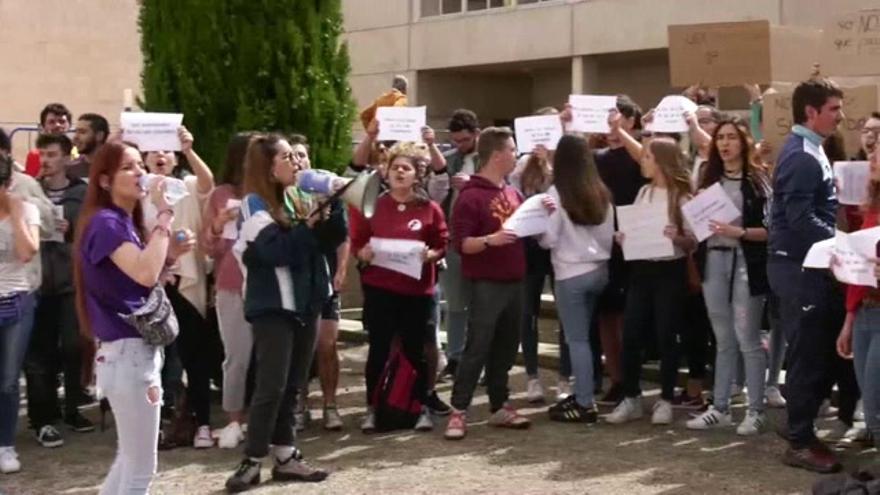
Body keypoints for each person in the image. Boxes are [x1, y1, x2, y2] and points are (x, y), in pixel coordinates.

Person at [74, 141, 194, 493]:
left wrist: (167, 254)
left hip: (126, 353)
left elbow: (138, 279)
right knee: (141, 468)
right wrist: (165, 215)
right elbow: (143, 275)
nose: (140, 172)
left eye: (139, 165)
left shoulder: (117, 221)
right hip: (129, 355)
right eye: (128, 167)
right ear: (105, 180)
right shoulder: (106, 223)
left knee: (129, 460)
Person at [225, 134, 339, 492]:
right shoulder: (253, 205)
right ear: (268, 168)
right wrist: (308, 225)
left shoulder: (299, 197)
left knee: (293, 384)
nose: (297, 163)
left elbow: (329, 240)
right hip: (273, 306)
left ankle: (287, 455)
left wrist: (331, 207)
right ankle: (253, 459)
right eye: (287, 157)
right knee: (270, 385)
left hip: (305, 303)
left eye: (296, 156)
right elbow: (277, 251)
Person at [767, 78, 845, 473]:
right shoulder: (802, 156)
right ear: (811, 112)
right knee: (808, 353)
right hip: (798, 266)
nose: (841, 116)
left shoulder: (811, 149)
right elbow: (800, 219)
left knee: (819, 350)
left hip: (808, 265)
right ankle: (799, 441)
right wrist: (844, 241)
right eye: (834, 109)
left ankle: (800, 425)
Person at [444, 126, 540, 440]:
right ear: (497, 155)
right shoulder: (470, 197)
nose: (516, 155)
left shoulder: (512, 192)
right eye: (512, 150)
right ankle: (458, 410)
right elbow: (461, 244)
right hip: (486, 283)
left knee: (506, 348)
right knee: (477, 347)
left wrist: (542, 212)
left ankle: (500, 406)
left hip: (516, 281)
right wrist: (491, 240)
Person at [351, 141, 448, 433]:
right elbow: (357, 241)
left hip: (417, 292)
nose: (400, 172)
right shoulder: (372, 205)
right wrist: (362, 253)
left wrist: (432, 254)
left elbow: (442, 242)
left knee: (416, 350)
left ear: (417, 175)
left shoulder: (429, 208)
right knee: (379, 349)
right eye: (395, 167)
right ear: (386, 172)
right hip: (381, 289)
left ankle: (418, 408)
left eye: (406, 168)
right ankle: (372, 408)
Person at [685, 119, 771, 435]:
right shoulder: (709, 181)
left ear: (743, 143)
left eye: (731, 137)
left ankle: (756, 409)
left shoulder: (758, 181)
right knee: (722, 340)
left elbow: (773, 231)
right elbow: (696, 231)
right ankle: (720, 407)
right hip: (714, 264)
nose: (724, 143)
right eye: (720, 138)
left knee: (748, 338)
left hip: (745, 263)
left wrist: (741, 232)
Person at [606, 137, 696, 426]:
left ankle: (666, 398)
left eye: (647, 157)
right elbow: (638, 227)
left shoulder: (682, 195)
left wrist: (677, 238)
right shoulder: (644, 191)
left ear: (660, 161)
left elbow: (693, 241)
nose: (643, 162)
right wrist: (625, 238)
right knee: (631, 333)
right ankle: (631, 396)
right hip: (641, 271)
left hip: (670, 271)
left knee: (666, 334)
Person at [141, 128, 215, 449]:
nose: (160, 157)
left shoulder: (185, 185)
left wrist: (189, 149)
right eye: (153, 151)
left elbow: (208, 183)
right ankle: (153, 423)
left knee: (194, 354)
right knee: (150, 358)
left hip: (186, 279)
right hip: (150, 281)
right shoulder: (137, 190)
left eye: (167, 152)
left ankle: (203, 423)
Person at [538, 135, 614, 423]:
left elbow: (549, 240)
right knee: (587, 337)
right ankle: (587, 388)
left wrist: (537, 230)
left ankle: (584, 401)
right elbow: (609, 235)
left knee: (577, 339)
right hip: (599, 270)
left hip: (570, 273)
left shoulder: (559, 193)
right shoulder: (601, 191)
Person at [25, 134, 92, 451]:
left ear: (67, 157)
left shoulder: (82, 192)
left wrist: (73, 231)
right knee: (40, 355)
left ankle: (72, 409)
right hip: (36, 285)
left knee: (73, 346)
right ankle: (44, 418)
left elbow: (93, 233)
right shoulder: (28, 191)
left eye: (52, 154)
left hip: (70, 283)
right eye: (43, 155)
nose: (47, 160)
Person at [288, 134, 350, 432]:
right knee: (300, 346)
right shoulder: (283, 195)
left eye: (302, 155)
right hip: (297, 279)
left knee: (327, 344)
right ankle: (299, 404)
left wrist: (340, 271)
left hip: (325, 278)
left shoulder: (328, 191)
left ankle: (330, 405)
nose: (298, 161)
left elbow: (340, 236)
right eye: (292, 156)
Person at [510, 108, 573, 404]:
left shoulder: (565, 163)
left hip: (560, 246)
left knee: (565, 313)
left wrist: (550, 160)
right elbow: (513, 197)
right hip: (530, 248)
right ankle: (533, 377)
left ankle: (564, 377)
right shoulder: (523, 165)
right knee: (527, 313)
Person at [591, 95, 647, 406]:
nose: (612, 124)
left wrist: (621, 134)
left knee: (631, 317)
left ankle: (633, 380)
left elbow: (646, 162)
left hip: (637, 242)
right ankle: (617, 379)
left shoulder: (642, 151)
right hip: (604, 242)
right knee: (607, 316)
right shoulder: (597, 157)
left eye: (618, 118)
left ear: (630, 121)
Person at [201, 132, 252, 448]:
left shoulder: (273, 192)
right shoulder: (221, 194)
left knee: (270, 356)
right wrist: (219, 224)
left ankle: (268, 418)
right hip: (232, 286)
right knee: (237, 356)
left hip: (269, 287)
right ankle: (234, 420)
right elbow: (208, 248)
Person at [836, 146, 880, 450]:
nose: (872, 159)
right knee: (870, 395)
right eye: (873, 153)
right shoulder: (872, 206)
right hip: (865, 310)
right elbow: (860, 269)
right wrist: (849, 320)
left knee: (875, 399)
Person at [0, 155, 40, 474]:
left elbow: (27, 253)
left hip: (16, 301)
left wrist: (14, 214)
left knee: (9, 381)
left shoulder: (27, 209)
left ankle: (6, 445)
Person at [437, 109, 480, 381]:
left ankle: (479, 359)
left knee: (480, 305)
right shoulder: (448, 160)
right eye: (456, 141)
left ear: (476, 134)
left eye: (464, 140)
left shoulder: (488, 159)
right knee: (455, 303)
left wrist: (471, 184)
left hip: (482, 239)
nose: (459, 146)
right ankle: (454, 357)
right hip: (454, 239)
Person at [24, 103, 75, 177]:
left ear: (69, 125)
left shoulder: (77, 153)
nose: (57, 125)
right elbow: (30, 183)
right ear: (43, 126)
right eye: (52, 122)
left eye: (62, 121)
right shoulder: (35, 155)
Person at [69, 113, 110, 179]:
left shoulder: (116, 168)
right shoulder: (71, 170)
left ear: (99, 136)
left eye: (82, 132)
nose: (75, 137)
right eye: (75, 132)